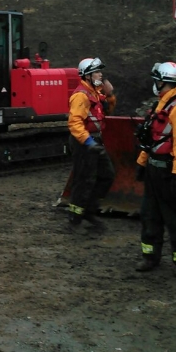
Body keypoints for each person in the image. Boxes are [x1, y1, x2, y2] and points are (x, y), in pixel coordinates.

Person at [134, 62, 176, 277]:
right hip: (154, 168)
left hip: (169, 171)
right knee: (149, 214)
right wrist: (142, 163)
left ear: (163, 81)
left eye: (157, 80)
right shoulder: (161, 104)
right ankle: (150, 256)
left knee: (175, 216)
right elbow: (152, 139)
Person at [65, 57, 116, 231]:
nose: (100, 75)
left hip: (94, 141)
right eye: (97, 72)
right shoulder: (81, 95)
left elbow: (107, 110)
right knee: (83, 179)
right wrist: (87, 142)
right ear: (87, 76)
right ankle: (75, 217)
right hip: (84, 142)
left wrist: (110, 95)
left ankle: (88, 210)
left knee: (107, 175)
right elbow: (74, 123)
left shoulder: (95, 93)